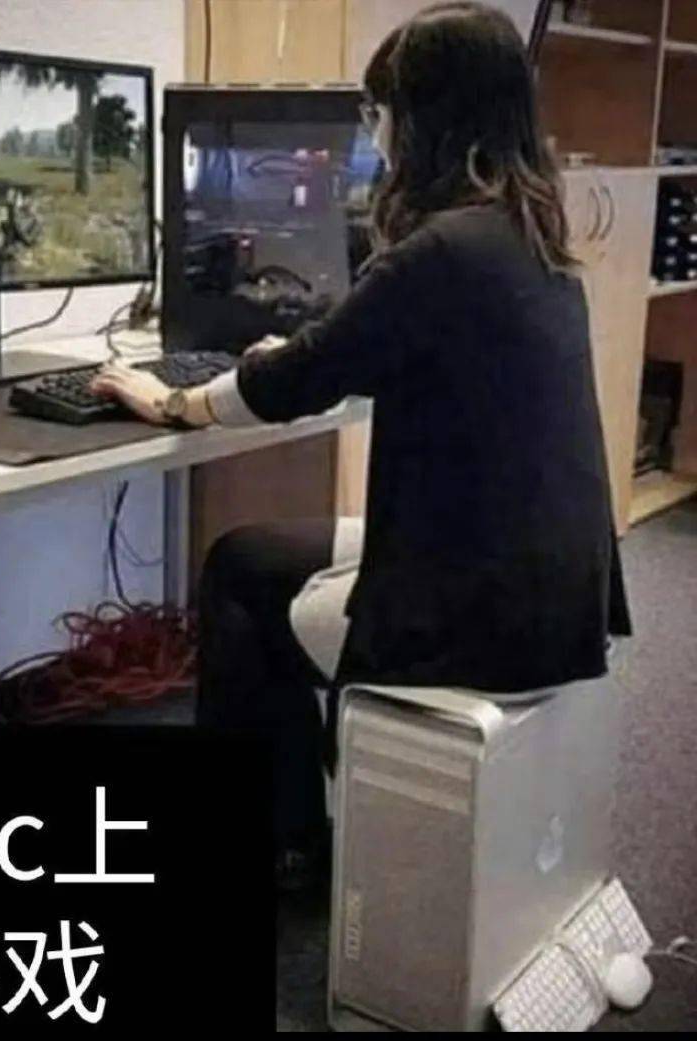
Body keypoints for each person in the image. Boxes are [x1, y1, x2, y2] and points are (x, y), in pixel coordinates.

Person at [91, 2, 632, 889]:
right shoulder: (531, 238)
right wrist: (309, 354)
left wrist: (175, 400)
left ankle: (280, 844)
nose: (374, 134)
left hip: (474, 614)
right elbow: (407, 365)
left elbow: (288, 386)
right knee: (255, 553)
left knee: (235, 578)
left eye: (380, 112)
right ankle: (296, 832)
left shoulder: (435, 254)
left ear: (420, 119)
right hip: (557, 596)